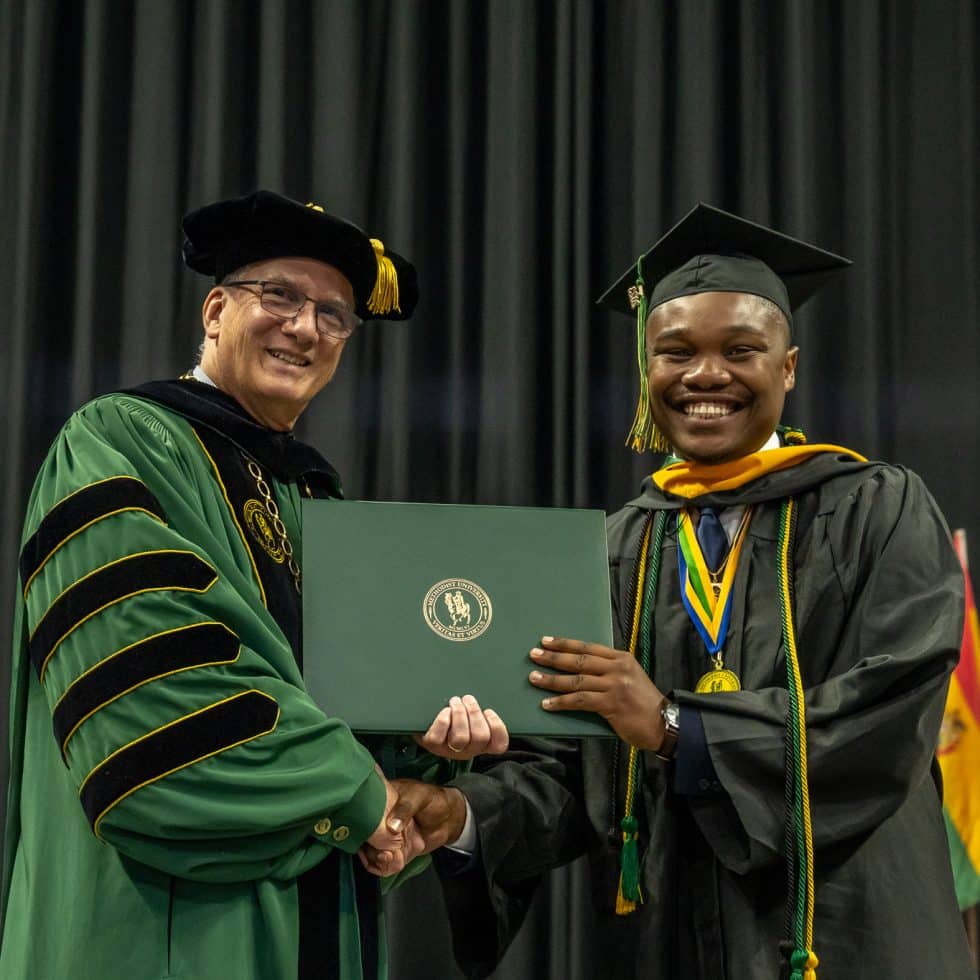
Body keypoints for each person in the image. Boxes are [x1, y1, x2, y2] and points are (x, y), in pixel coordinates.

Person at [376, 204, 976, 979]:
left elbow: (887, 716)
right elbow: (572, 768)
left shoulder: (879, 508)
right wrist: (457, 817)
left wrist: (670, 724)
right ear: (646, 369)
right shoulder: (623, 544)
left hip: (852, 934)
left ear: (787, 367)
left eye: (740, 350)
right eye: (675, 352)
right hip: (675, 939)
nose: (705, 375)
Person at [0, 189, 504, 980]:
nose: (306, 327)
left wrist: (423, 760)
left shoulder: (316, 502)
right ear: (214, 310)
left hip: (311, 910)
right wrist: (360, 794)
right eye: (280, 296)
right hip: (163, 919)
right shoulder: (120, 440)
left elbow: (340, 704)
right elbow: (149, 690)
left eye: (334, 315)